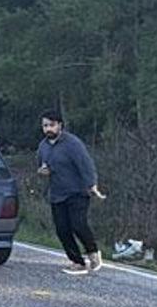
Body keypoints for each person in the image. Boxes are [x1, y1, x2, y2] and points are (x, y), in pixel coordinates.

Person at [36, 110, 105, 274]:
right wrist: (43, 171)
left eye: (51, 125)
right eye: (45, 126)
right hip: (57, 193)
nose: (48, 129)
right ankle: (77, 262)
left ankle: (93, 253)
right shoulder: (43, 146)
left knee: (78, 225)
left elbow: (85, 164)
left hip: (77, 192)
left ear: (60, 125)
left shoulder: (72, 143)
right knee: (62, 229)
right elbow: (41, 166)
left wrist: (92, 185)